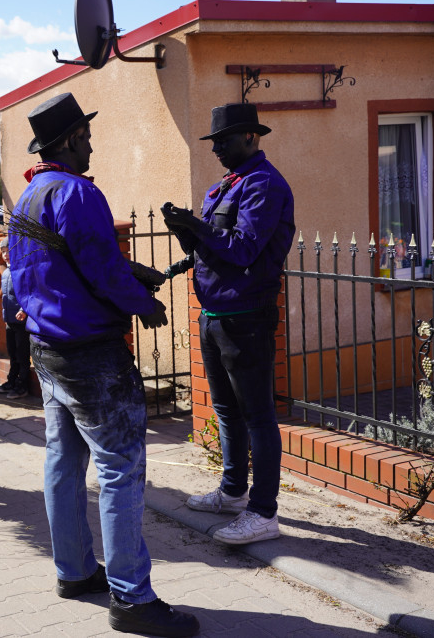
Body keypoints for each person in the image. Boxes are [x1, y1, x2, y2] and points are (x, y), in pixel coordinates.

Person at [9, 92, 198, 637]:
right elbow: (99, 270)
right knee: (120, 468)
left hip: (48, 351)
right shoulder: (75, 192)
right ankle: (132, 599)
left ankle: (73, 572)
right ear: (69, 141)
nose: (91, 146)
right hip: (91, 355)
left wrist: (127, 272)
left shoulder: (28, 197)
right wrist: (145, 303)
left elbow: (50, 270)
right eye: (86, 137)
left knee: (63, 461)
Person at [162, 102, 295, 546]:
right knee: (225, 410)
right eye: (214, 141)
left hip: (246, 316)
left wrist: (198, 229)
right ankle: (234, 492)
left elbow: (242, 250)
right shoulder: (225, 185)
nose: (216, 148)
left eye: (224, 140)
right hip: (215, 313)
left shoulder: (264, 185)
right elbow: (210, 249)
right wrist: (186, 231)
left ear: (252, 138)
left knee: (257, 415)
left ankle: (263, 512)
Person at [0, 237, 30, 399]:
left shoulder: (22, 270)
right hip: (9, 320)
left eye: (9, 250)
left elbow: (28, 293)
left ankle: (23, 385)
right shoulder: (7, 272)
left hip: (21, 321)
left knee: (22, 354)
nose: (6, 254)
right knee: (12, 352)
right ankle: (12, 381)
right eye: (3, 251)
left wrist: (24, 310)